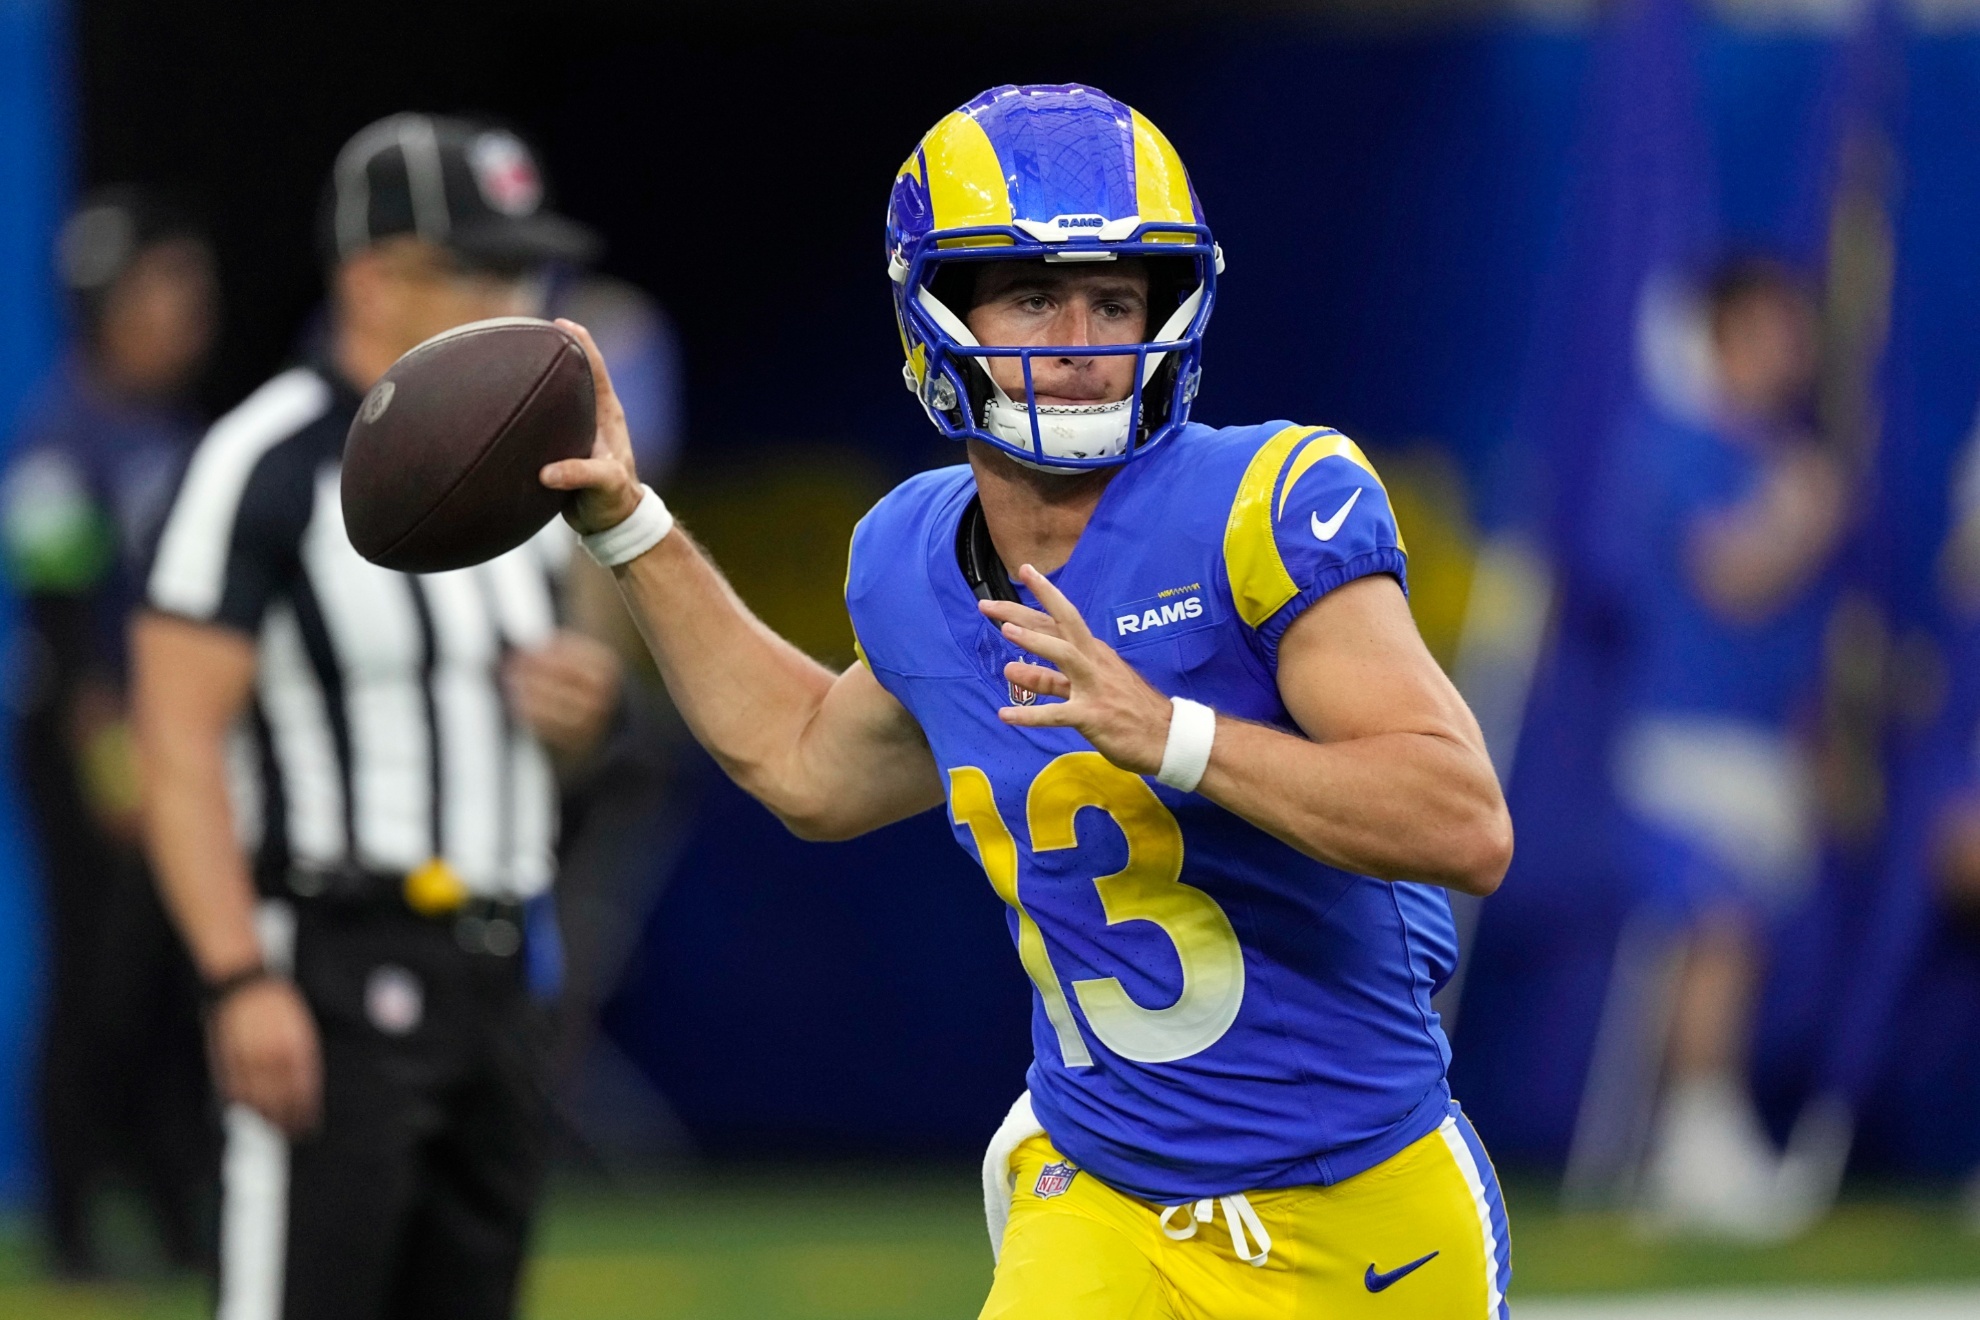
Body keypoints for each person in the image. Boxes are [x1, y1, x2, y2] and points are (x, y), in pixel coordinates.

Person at [544, 83, 1514, 1318]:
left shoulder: (1266, 503)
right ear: (938, 309)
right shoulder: (911, 558)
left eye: (1115, 298)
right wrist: (632, 525)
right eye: (1033, 295)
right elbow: (808, 766)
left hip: (1356, 1204)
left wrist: (1174, 736)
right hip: (1100, 1185)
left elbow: (1463, 821)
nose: (1079, 334)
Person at [131, 113, 623, 1320]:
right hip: (337, 963)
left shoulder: (522, 473)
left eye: (526, 269)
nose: (519, 300)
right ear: (374, 275)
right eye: (483, 269)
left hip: (501, 966)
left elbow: (532, 726)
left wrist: (578, 711)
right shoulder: (265, 459)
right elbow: (174, 738)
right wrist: (237, 976)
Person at [1600, 257, 1847, 1238]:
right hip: (1685, 737)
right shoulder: (1678, 446)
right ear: (1725, 335)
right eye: (1770, 328)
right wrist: (1806, 514)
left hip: (1766, 742)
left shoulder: (1785, 449)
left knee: (1731, 945)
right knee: (1715, 931)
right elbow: (1732, 578)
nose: (1789, 349)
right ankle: (1700, 1144)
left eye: (1798, 328)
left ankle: (1685, 1144)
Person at [3, 187, 221, 1276]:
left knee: (172, 979)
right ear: (108, 303)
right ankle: (77, 1226)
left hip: (172, 739)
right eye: (165, 285)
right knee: (96, 975)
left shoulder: (174, 435)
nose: (191, 306)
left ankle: (181, 1214)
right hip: (89, 742)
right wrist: (113, 762)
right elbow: (60, 617)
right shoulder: (60, 436)